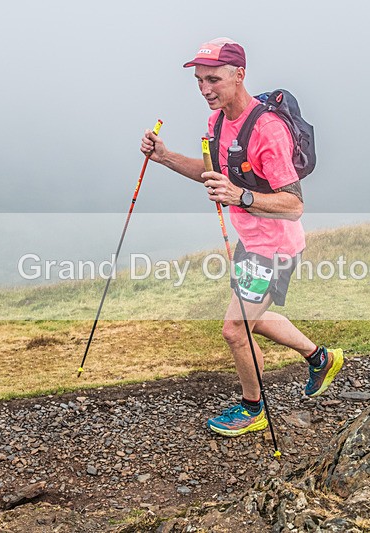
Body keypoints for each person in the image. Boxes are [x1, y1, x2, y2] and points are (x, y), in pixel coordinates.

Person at [140, 38, 343, 437]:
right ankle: (320, 358)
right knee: (255, 318)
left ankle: (254, 409)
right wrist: (163, 157)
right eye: (199, 80)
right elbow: (212, 173)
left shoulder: (268, 129)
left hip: (276, 248)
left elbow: (294, 204)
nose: (204, 88)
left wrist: (240, 196)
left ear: (239, 75)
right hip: (249, 242)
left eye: (213, 79)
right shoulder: (218, 122)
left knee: (235, 329)